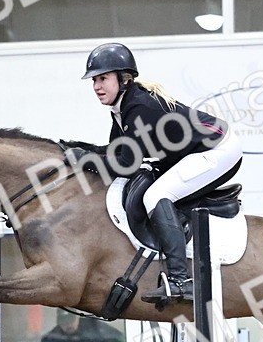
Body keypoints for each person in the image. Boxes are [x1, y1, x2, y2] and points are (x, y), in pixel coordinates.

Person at [83, 42, 243, 304]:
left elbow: (127, 164)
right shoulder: (122, 107)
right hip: (195, 150)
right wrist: (80, 151)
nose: (96, 87)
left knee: (156, 195)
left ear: (123, 79)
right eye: (94, 81)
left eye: (103, 79)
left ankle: (182, 281)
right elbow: (116, 151)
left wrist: (85, 161)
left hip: (219, 150)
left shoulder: (139, 107)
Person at [31, 309, 125, 342]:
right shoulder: (53, 336)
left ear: (77, 318)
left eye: (70, 321)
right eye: (64, 323)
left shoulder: (94, 327)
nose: (68, 326)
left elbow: (121, 341)